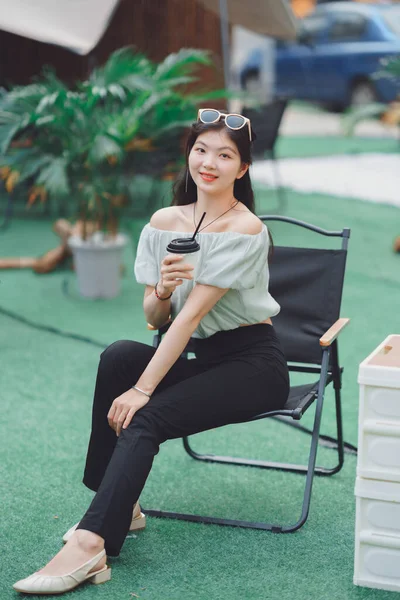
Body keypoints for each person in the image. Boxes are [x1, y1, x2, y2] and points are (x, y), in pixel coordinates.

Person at [13, 109, 290, 595]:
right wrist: (161, 288)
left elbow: (191, 319)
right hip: (203, 358)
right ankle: (120, 505)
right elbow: (157, 317)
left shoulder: (245, 229)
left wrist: (144, 390)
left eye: (225, 155)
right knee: (119, 353)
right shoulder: (165, 221)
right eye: (201, 149)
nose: (209, 162)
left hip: (254, 366)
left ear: (242, 169)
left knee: (146, 415)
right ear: (189, 154)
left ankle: (90, 544)